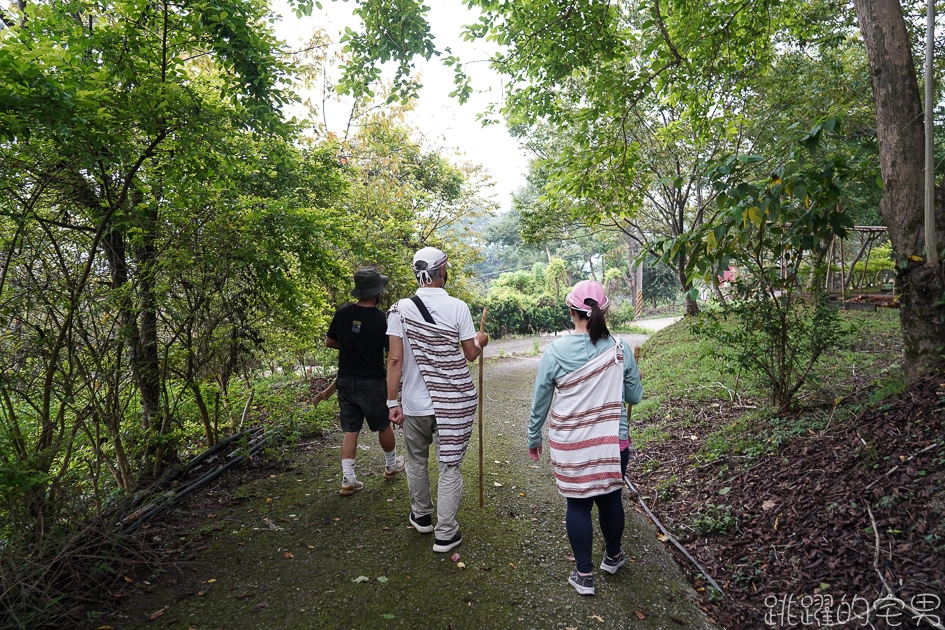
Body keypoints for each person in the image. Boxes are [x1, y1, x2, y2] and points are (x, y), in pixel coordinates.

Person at [526, 280, 643, 596]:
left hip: (572, 444)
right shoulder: (621, 349)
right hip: (612, 443)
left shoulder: (556, 351)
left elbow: (541, 399)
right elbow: (634, 395)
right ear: (604, 311)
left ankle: (584, 575)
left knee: (577, 507)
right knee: (609, 500)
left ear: (571, 311)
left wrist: (533, 436)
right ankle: (613, 557)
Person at [385, 247, 489, 553]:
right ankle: (446, 533)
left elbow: (394, 360)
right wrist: (481, 341)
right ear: (440, 272)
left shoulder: (398, 310)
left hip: (415, 404)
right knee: (449, 467)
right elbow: (470, 354)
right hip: (453, 403)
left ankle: (422, 516)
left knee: (416, 460)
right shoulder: (458, 307)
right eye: (446, 267)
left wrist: (393, 402)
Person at [326, 267, 405, 496]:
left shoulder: (342, 314)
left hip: (346, 381)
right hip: (372, 382)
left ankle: (348, 480)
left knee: (351, 430)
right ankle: (391, 466)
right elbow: (392, 352)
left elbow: (330, 342)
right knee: (382, 425)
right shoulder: (383, 319)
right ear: (377, 292)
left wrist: (351, 346)